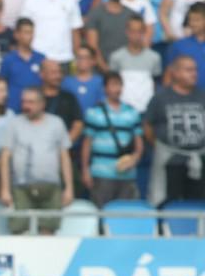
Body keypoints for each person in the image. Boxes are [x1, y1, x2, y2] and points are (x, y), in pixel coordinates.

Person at [0, 86, 72, 234]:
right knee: (18, 229)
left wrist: (69, 188)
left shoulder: (56, 123)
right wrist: (5, 189)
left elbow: (64, 157)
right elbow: (5, 157)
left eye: (31, 102)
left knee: (49, 229)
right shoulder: (14, 124)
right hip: (21, 187)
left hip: (51, 186)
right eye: (24, 102)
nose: (26, 106)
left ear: (42, 104)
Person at [143, 55, 205, 207]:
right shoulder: (160, 98)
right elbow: (147, 126)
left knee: (198, 203)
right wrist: (161, 147)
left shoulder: (202, 96)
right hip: (170, 161)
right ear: (175, 73)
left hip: (199, 160)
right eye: (188, 70)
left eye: (195, 70)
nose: (194, 74)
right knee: (169, 203)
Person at [81, 71, 143, 208]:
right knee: (101, 211)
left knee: (125, 212)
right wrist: (85, 170)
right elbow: (87, 143)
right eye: (113, 85)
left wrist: (134, 159)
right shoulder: (94, 112)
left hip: (126, 174)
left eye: (119, 85)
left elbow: (138, 142)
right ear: (105, 88)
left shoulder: (132, 112)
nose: (117, 89)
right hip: (101, 172)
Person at [21, 0, 82, 65]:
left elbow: (75, 31)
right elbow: (24, 31)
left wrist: (76, 58)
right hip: (38, 59)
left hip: (65, 59)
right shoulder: (31, 1)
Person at [84, 0, 137, 70]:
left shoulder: (132, 15)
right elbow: (92, 46)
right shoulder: (95, 14)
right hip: (101, 70)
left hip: (127, 69)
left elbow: (136, 43)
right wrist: (106, 70)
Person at [109, 18, 160, 113]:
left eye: (139, 31)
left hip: (146, 108)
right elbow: (113, 83)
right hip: (123, 110)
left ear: (144, 33)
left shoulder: (154, 57)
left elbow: (156, 82)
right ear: (127, 32)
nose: (136, 35)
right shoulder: (116, 57)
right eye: (132, 31)